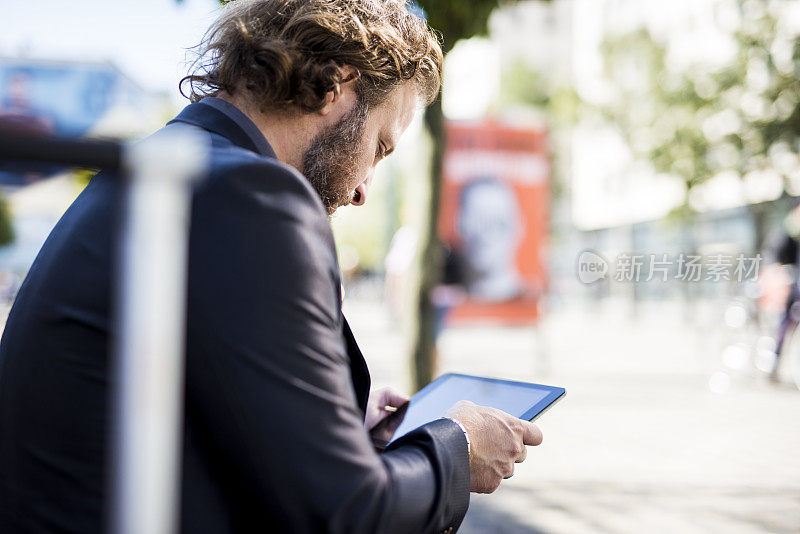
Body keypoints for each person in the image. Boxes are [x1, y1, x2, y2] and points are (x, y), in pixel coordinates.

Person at [0, 1, 544, 533]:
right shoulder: (251, 196)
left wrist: (332, 415)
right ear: (338, 82)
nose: (362, 191)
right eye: (379, 148)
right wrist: (459, 446)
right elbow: (347, 512)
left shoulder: (164, 167)